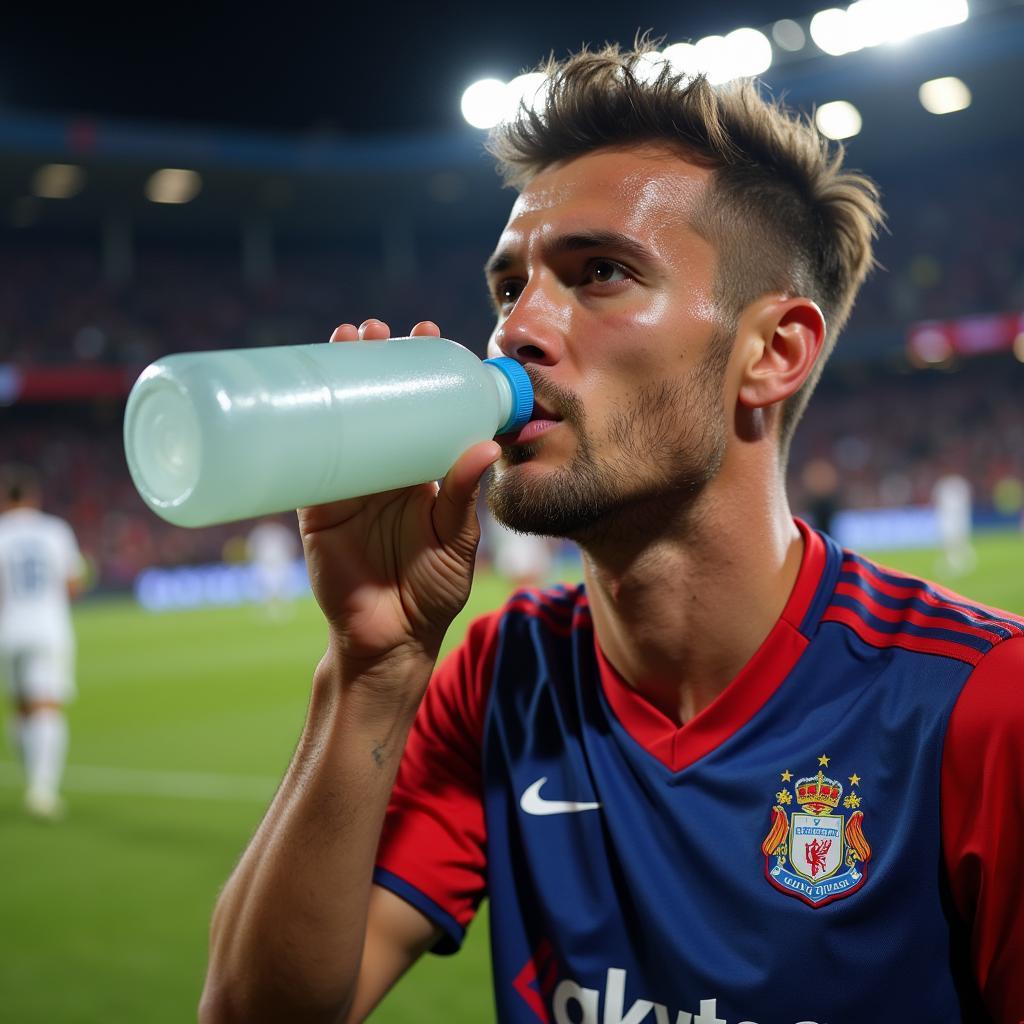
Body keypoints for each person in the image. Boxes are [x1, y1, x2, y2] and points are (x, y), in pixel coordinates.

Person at [200, 46, 1024, 1024]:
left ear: (771, 352)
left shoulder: (983, 705)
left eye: (599, 273)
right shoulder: (506, 674)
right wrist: (368, 669)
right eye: (509, 287)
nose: (515, 331)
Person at [0, 465, 85, 820]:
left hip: (8, 630)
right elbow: (72, 585)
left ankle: (31, 779)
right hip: (48, 628)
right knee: (46, 706)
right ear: (33, 498)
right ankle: (43, 790)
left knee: (21, 707)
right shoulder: (55, 530)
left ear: (6, 500)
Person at [245, 517, 300, 618]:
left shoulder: (281, 531)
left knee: (283, 588)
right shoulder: (259, 533)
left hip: (282, 563)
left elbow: (291, 545)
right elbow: (252, 548)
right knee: (267, 589)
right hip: (265, 565)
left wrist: (289, 559)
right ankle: (268, 611)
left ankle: (286, 610)